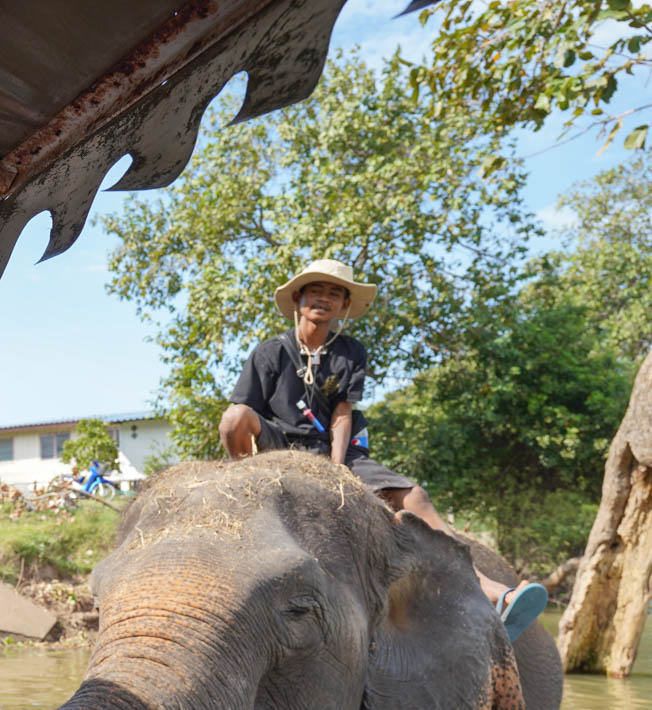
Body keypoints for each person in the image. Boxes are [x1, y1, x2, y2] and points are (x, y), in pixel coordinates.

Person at [217, 258, 547, 640]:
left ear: (343, 306)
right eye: (316, 291)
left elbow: (343, 414)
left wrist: (336, 470)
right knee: (234, 416)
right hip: (279, 445)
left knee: (415, 496)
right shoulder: (269, 353)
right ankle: (244, 483)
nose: (324, 299)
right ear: (298, 299)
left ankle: (494, 593)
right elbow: (247, 415)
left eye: (335, 293)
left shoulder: (350, 351)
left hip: (333, 451)